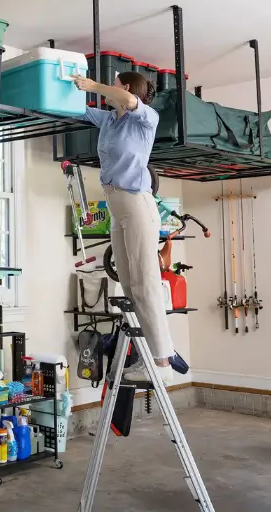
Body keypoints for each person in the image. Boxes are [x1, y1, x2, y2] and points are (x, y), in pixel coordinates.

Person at [70, 70, 179, 385]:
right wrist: (64, 83)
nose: (108, 89)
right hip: (116, 207)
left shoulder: (145, 120)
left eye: (113, 84)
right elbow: (74, 109)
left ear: (125, 86)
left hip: (137, 204)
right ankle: (153, 351)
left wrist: (93, 86)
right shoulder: (109, 120)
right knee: (128, 283)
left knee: (145, 280)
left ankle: (162, 358)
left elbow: (129, 101)